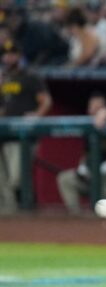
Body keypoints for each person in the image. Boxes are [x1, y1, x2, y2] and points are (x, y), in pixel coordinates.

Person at [0, 40, 52, 214]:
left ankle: (27, 209)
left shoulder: (30, 76)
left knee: (16, 178)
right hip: (6, 136)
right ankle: (12, 214)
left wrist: (36, 115)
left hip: (24, 137)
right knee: (4, 181)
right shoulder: (4, 78)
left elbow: (46, 101)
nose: (8, 57)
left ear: (19, 56)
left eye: (12, 54)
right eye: (6, 54)